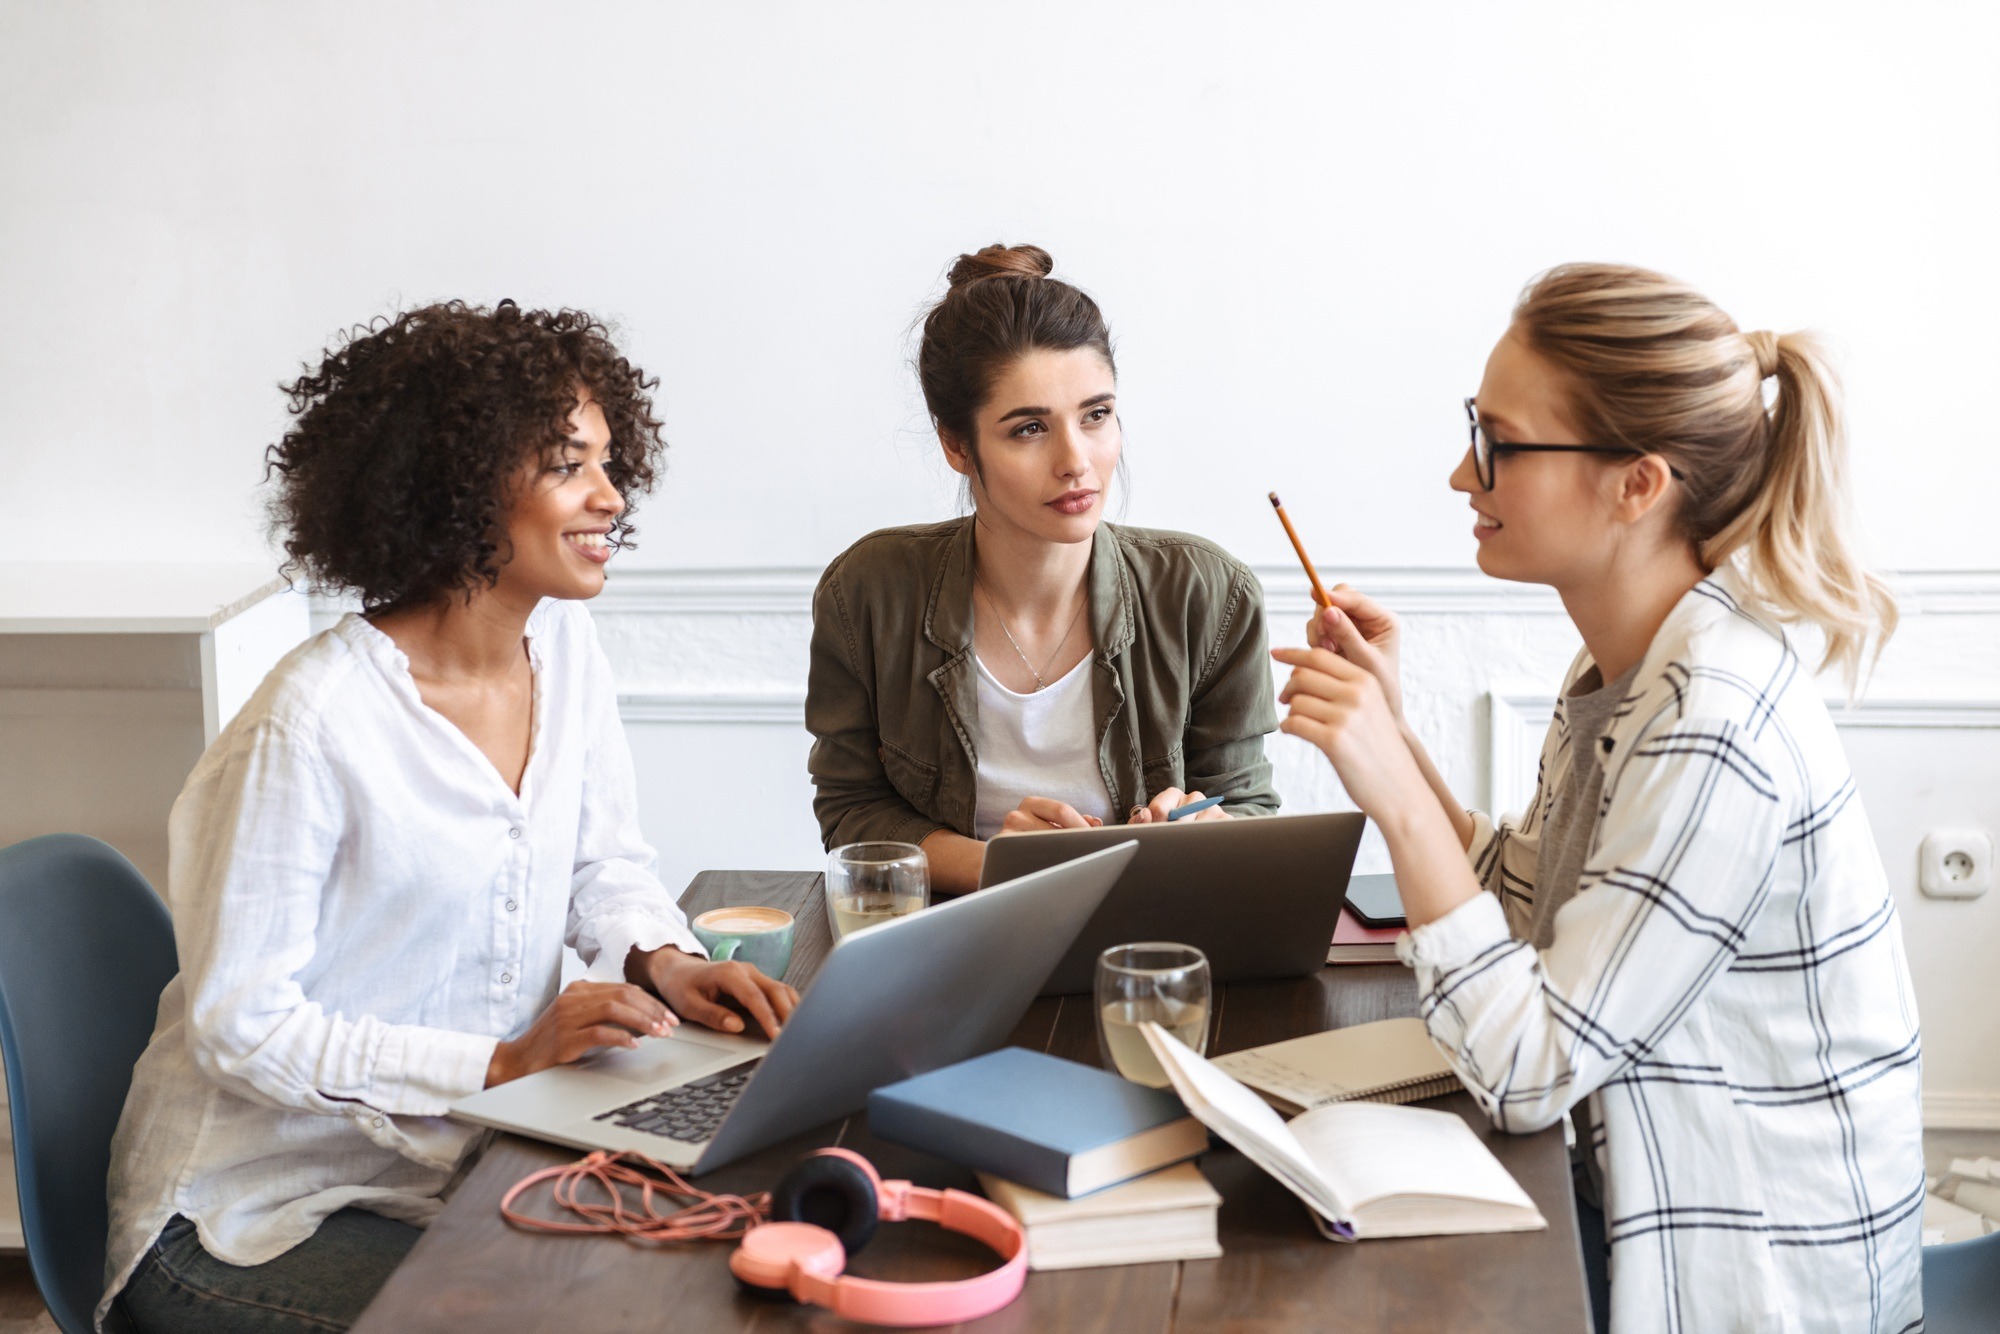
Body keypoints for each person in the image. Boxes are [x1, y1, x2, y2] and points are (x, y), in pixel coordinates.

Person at [101, 301, 799, 1333]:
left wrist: (665, 957)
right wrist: (499, 1062)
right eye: (570, 466)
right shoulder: (309, 724)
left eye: (610, 462)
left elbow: (601, 860)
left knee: (702, 1261)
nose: (611, 497)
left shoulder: (563, 649)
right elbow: (239, 1024)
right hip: (244, 1219)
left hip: (456, 1162)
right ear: (462, 486)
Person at [1272, 265, 1923, 1332]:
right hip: (1636, 1199)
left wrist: (1393, 796)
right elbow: (1528, 906)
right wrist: (1394, 739)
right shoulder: (1629, 667)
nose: (1457, 474)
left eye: (1497, 443)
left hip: (1754, 1285)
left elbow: (1528, 1065)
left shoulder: (1715, 723)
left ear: (1636, 484)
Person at [805, 244, 1280, 894]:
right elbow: (851, 812)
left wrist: (1200, 832)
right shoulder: (867, 592)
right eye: (1029, 428)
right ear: (955, 445)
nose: (1076, 460)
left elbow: (1250, 808)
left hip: (1150, 943)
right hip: (952, 939)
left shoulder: (1210, 594)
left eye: (1096, 415)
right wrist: (1004, 867)